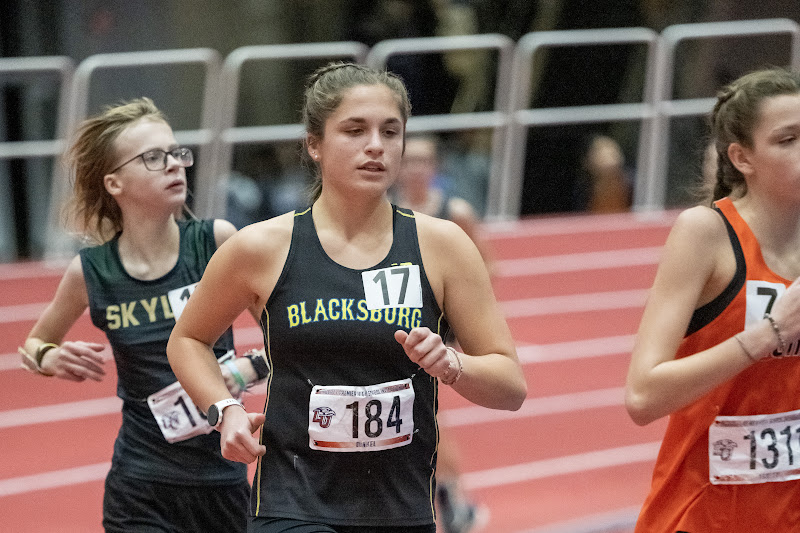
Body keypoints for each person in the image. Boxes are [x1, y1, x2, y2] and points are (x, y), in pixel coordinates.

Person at [167, 62, 528, 533]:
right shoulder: (260, 248)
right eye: (355, 130)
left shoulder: (444, 246)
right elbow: (188, 339)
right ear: (314, 145)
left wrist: (450, 364)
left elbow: (511, 387)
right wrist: (225, 410)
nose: (376, 145)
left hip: (400, 509)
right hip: (291, 505)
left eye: (390, 131)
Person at [18, 97, 269, 533]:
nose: (174, 165)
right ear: (114, 184)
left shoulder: (216, 243)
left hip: (220, 478)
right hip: (139, 482)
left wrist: (251, 369)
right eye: (153, 158)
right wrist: (48, 358)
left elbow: (297, 335)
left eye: (176, 153)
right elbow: (35, 344)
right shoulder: (91, 272)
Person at [625, 67, 800, 532]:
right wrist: (769, 334)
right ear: (743, 158)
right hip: (704, 514)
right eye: (788, 140)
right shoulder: (706, 234)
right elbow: (642, 396)